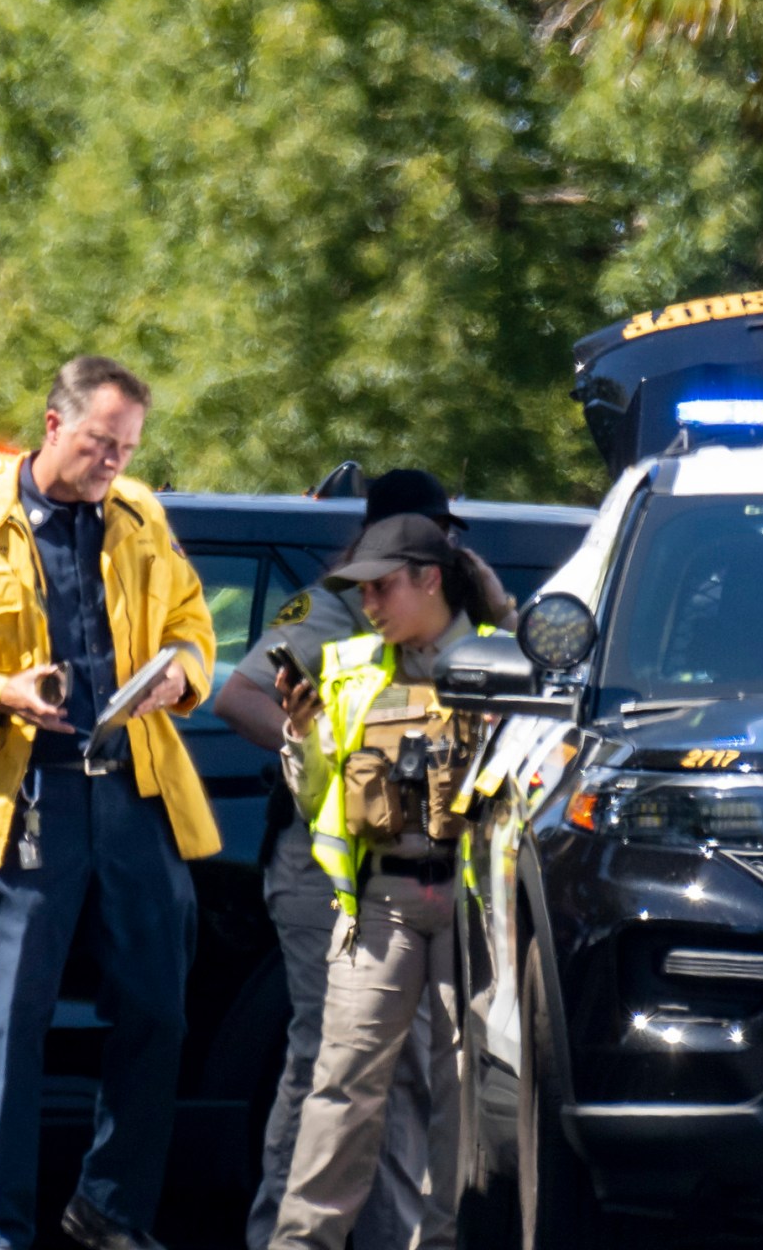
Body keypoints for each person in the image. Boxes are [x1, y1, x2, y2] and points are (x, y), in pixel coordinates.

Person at [0, 355, 218, 1250]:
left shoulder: (141, 514)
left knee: (158, 1010)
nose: (115, 460)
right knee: (11, 1024)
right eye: (102, 442)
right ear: (54, 424)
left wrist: (179, 675)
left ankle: (111, 1208)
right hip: (29, 795)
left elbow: (192, 623)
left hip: (135, 791)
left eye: (128, 446)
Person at [217, 468, 507, 1250]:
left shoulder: (491, 653)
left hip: (456, 900)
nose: (373, 601)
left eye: (388, 584)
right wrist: (312, 755)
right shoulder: (341, 639)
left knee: (440, 1085)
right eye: (368, 584)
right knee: (335, 1076)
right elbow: (257, 718)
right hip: (357, 893)